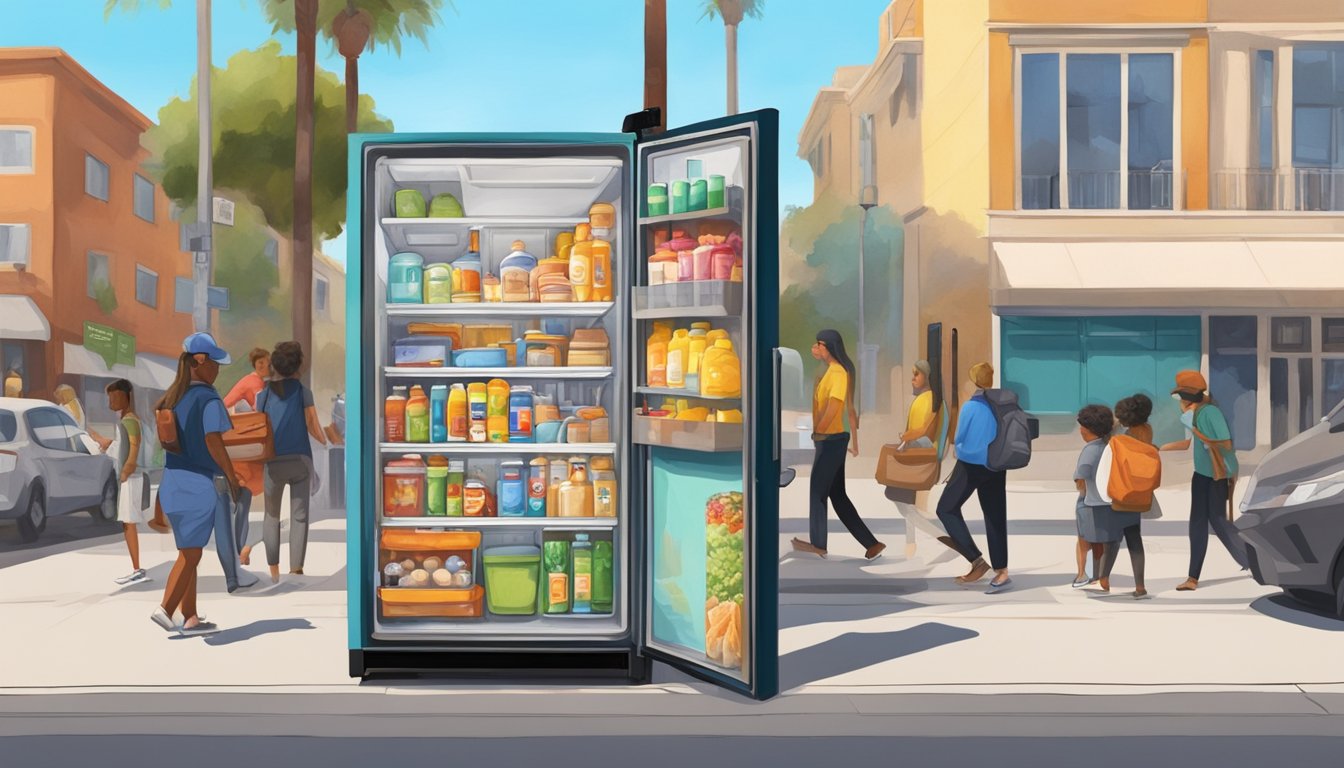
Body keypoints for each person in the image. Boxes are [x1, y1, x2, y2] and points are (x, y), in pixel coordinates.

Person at [150, 333, 237, 636]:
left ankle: (190, 617)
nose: (217, 370)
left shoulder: (171, 398)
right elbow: (214, 441)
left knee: (188, 550)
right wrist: (232, 476)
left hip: (172, 481)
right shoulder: (208, 399)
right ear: (200, 361)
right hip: (197, 484)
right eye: (214, 363)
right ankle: (166, 609)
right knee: (192, 554)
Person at [791, 330, 885, 561]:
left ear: (829, 347)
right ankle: (872, 544)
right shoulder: (830, 372)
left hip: (830, 439)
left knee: (817, 493)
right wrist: (853, 440)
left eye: (819, 344)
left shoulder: (839, 373)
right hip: (833, 439)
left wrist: (818, 432)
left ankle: (818, 545)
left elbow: (836, 407)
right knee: (837, 495)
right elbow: (849, 410)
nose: (816, 348)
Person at [1160, 371, 1247, 591]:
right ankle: (1193, 577)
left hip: (1219, 473)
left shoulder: (1210, 413)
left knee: (1218, 521)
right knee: (1197, 524)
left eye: (1180, 396)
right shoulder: (1194, 414)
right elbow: (1187, 444)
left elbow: (1226, 444)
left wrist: (1196, 429)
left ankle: (1250, 560)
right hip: (1202, 473)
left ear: (1188, 396)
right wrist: (1160, 448)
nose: (1179, 402)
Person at [935, 362, 1011, 592]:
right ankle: (1002, 571)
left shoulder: (971, 407)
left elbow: (959, 438)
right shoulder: (1000, 405)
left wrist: (959, 450)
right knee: (995, 515)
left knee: (946, 509)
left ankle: (976, 561)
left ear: (974, 381)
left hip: (971, 465)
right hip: (996, 465)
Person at [257, 341, 327, 582]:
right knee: (299, 516)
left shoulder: (263, 394)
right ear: (298, 367)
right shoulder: (302, 391)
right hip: (299, 459)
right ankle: (296, 568)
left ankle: (274, 571)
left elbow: (259, 427)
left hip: (273, 460)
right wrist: (325, 440)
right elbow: (313, 425)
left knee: (271, 516)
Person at [884, 359, 952, 559]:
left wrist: (906, 438)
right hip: (916, 454)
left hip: (919, 457)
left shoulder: (929, 399)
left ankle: (939, 537)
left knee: (901, 498)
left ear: (927, 377)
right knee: (906, 502)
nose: (913, 378)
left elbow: (924, 431)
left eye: (917, 374)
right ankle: (912, 542)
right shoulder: (924, 399)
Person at [1097, 395, 1152, 598]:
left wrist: (1114, 426)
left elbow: (1110, 445)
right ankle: (1140, 585)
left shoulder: (1124, 438)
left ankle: (1103, 579)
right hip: (1139, 492)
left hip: (1122, 491)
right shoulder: (1147, 430)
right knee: (1134, 537)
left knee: (1112, 538)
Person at [99, 380, 153, 586]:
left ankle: (137, 569)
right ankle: (136, 567)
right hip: (131, 476)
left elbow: (134, 445)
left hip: (131, 477)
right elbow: (125, 446)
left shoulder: (129, 420)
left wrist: (127, 469)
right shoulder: (128, 420)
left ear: (125, 396)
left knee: (129, 523)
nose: (110, 402)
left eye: (114, 397)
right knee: (127, 523)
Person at [224, 348, 270, 567]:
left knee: (243, 501)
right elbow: (260, 411)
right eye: (261, 363)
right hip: (247, 447)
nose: (264, 367)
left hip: (242, 448)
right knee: (244, 500)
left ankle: (240, 549)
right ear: (255, 365)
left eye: (267, 363)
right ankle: (240, 549)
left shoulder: (253, 382)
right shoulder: (256, 384)